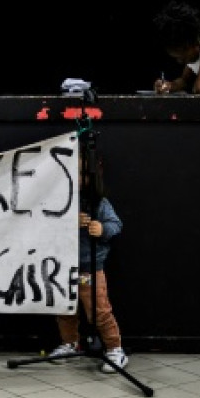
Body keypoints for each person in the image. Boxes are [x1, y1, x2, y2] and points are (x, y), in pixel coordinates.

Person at [50, 154, 127, 373]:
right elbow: (48, 226)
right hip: (64, 266)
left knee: (99, 311)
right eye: (75, 172)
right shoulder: (62, 201)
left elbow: (116, 224)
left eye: (84, 173)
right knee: (65, 309)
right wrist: (68, 222)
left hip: (90, 267)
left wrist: (101, 229)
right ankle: (70, 344)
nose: (79, 178)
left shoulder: (99, 203)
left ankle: (115, 349)